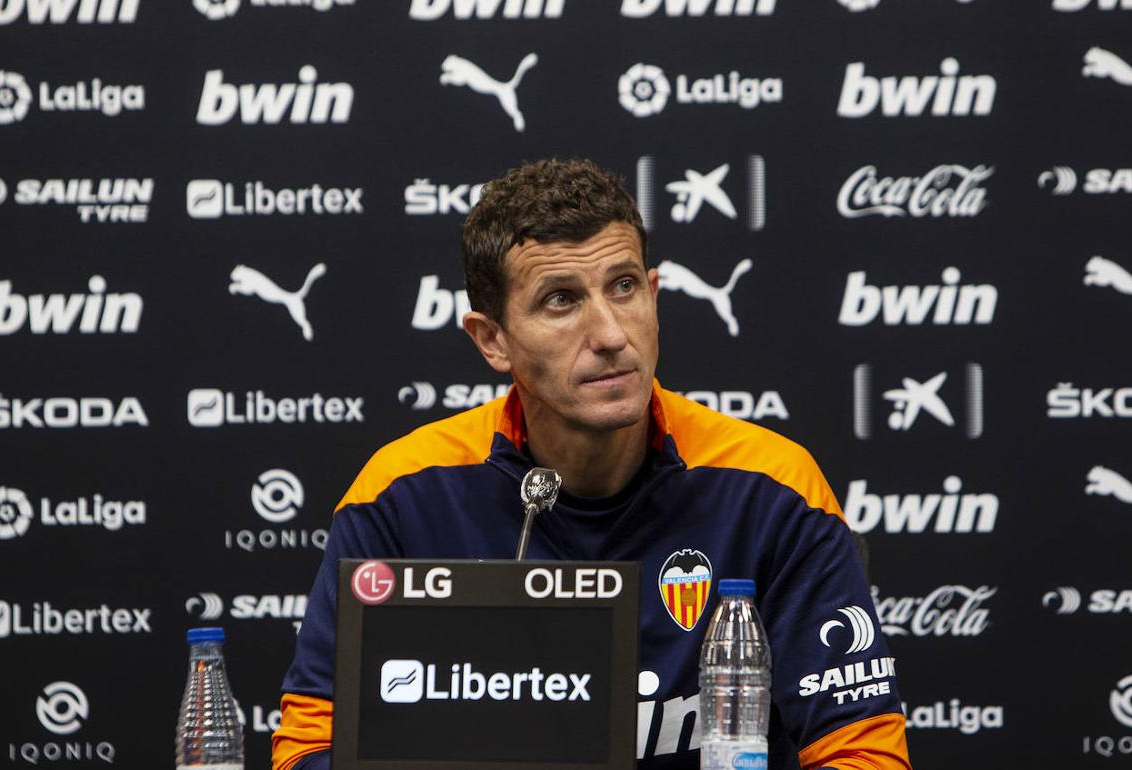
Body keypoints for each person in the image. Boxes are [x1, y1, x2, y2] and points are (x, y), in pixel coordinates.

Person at [272, 159, 911, 770]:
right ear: (491, 338)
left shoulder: (770, 487)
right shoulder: (403, 496)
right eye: (561, 299)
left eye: (624, 287)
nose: (610, 333)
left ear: (655, 295)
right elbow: (308, 748)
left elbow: (862, 751)